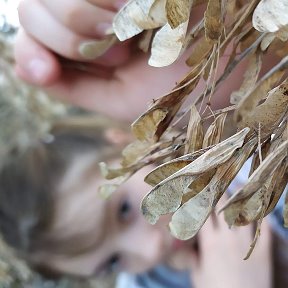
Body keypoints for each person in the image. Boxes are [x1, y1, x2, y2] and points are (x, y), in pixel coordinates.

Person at [5, 0, 283, 286]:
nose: (150, 250)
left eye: (124, 210)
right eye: (112, 261)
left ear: (125, 144)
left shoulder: (255, 156)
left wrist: (243, 51)